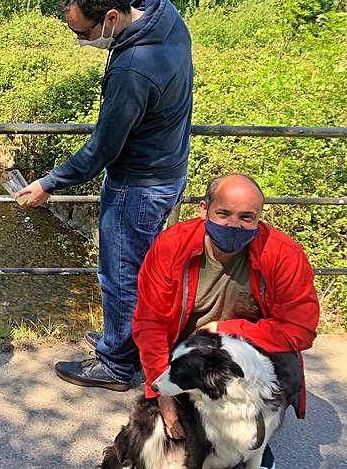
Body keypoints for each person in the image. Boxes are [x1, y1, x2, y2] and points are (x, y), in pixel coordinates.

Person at [15, 0, 193, 391]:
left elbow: (103, 148)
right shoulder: (164, 14)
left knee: (120, 275)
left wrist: (50, 183)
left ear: (111, 17)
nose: (81, 41)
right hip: (168, 170)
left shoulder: (133, 69)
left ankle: (115, 365)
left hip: (138, 183)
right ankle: (127, 346)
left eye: (83, 31)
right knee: (142, 272)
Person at [134, 173, 319, 468]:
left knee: (285, 372)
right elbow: (149, 322)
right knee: (163, 431)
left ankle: (255, 438)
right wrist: (160, 392)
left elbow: (301, 329)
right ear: (204, 209)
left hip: (253, 348)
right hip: (186, 347)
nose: (235, 225)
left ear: (259, 217)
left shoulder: (285, 255)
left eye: (247, 217)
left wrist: (225, 329)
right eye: (223, 213)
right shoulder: (171, 247)